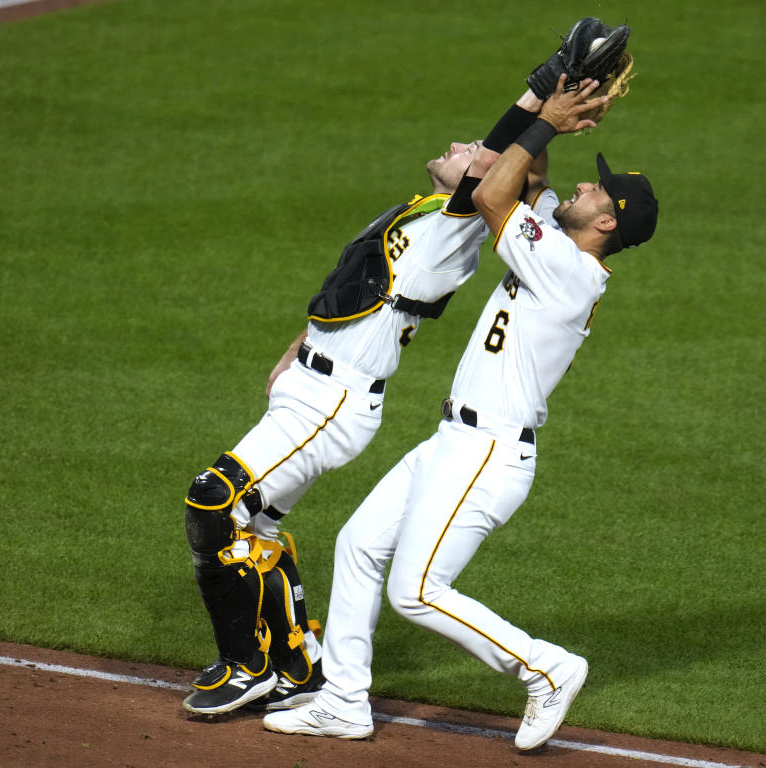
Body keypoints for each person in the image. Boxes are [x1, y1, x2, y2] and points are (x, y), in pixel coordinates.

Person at [261, 74, 658, 750]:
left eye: (596, 191)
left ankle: (545, 667)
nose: (583, 189)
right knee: (358, 546)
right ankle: (344, 702)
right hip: (453, 442)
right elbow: (529, 178)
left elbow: (494, 191)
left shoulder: (570, 272)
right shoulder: (559, 242)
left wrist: (549, 126)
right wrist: (553, 90)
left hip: (489, 454)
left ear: (608, 223)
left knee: (415, 590)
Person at [180, 70, 565, 716]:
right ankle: (299, 664)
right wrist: (296, 349)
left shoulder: (454, 227)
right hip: (311, 386)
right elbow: (349, 292)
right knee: (258, 522)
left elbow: (503, 154)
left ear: (486, 178)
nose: (461, 143)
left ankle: (247, 667)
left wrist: (544, 99)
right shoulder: (425, 212)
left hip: (331, 404)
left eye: (473, 150)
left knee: (214, 502)